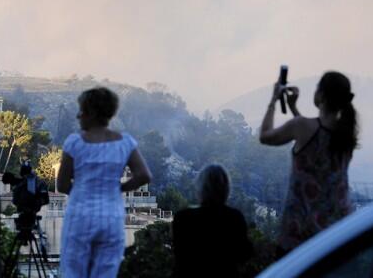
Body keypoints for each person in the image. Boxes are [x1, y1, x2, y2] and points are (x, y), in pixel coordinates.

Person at [57, 87, 152, 278]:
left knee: (74, 271)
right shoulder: (124, 143)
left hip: (80, 217)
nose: (78, 116)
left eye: (81, 111)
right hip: (111, 217)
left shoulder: (75, 143)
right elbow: (143, 175)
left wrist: (82, 191)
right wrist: (118, 189)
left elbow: (62, 185)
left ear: (91, 113)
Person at [259, 71, 359, 253]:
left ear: (321, 96)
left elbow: (265, 136)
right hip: (337, 235)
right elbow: (316, 141)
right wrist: (294, 109)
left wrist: (273, 100)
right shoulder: (346, 136)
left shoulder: (301, 126)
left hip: (301, 234)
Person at [172, 164, 253, 278]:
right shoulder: (234, 217)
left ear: (201, 187)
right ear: (226, 188)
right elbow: (244, 254)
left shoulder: (183, 218)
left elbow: (179, 255)